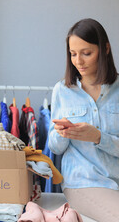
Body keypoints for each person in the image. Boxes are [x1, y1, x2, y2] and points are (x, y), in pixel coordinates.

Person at [48, 18, 119, 222]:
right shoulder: (62, 90)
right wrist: (62, 133)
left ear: (105, 49)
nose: (78, 61)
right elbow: (55, 148)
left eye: (86, 53)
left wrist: (98, 137)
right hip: (82, 182)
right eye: (73, 54)